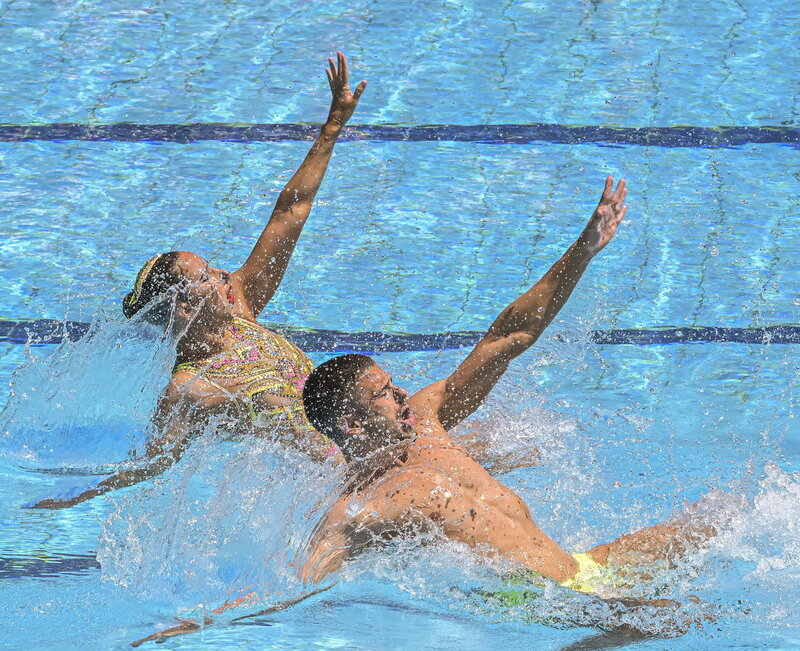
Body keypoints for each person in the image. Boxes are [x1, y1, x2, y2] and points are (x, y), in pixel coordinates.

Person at [299, 177, 714, 591]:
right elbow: (305, 583)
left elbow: (506, 336)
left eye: (395, 384)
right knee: (690, 623)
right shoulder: (361, 508)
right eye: (385, 394)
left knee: (717, 520)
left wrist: (582, 253)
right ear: (351, 423)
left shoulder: (425, 421)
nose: (403, 393)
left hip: (577, 572)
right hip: (538, 607)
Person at [32, 52, 366, 509]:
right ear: (184, 307)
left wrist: (332, 128)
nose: (225, 275)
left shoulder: (241, 307)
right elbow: (155, 461)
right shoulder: (186, 386)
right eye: (207, 276)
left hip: (365, 434)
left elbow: (290, 211)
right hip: (333, 486)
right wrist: (83, 494)